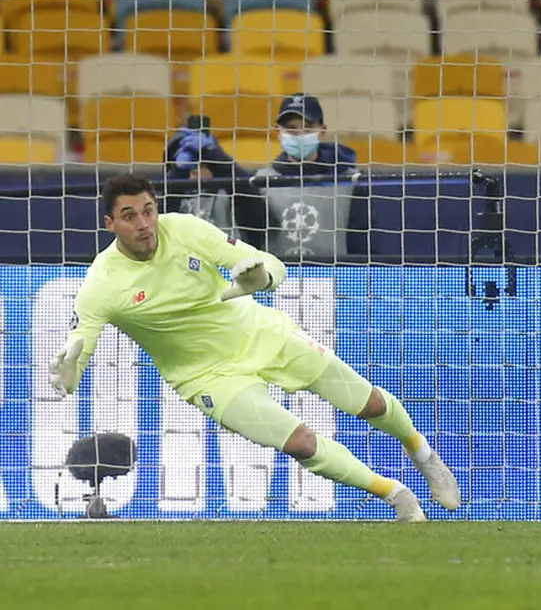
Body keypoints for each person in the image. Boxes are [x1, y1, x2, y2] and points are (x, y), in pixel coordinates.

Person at [48, 174, 459, 520]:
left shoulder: (186, 229)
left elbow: (268, 264)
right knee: (300, 443)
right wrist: (69, 375)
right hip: (207, 377)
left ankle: (423, 456)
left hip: (262, 332)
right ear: (109, 224)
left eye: (148, 210)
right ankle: (397, 496)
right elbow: (78, 350)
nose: (143, 223)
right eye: (129, 215)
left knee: (367, 402)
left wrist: (260, 279)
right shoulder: (102, 284)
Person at [174, 93, 371, 256]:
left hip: (338, 282)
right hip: (275, 284)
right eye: (291, 128)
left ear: (322, 131)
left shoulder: (351, 181)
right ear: (278, 132)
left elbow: (364, 247)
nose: (299, 134)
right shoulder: (262, 181)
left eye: (307, 126)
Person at [163, 115, 276, 251]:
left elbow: (259, 219)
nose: (195, 170)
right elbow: (158, 224)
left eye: (203, 164)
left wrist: (213, 153)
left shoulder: (233, 197)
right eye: (189, 164)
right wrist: (178, 172)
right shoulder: (164, 199)